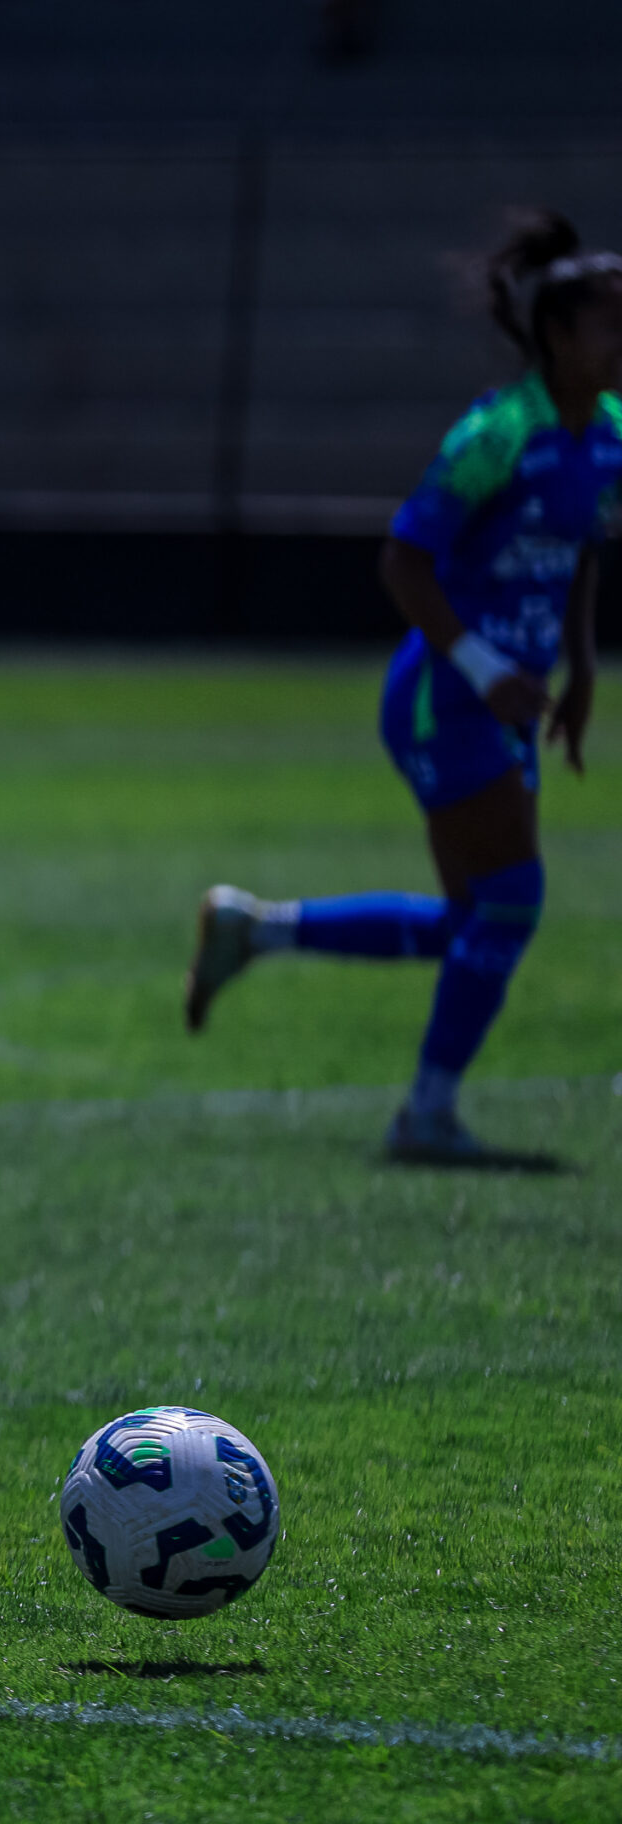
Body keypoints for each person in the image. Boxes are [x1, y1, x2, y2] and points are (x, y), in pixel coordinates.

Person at [186, 210, 619, 1166]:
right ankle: (425, 1117)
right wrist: (487, 672)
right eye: (612, 322)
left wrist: (582, 666)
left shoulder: (610, 434)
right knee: (513, 901)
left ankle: (257, 933)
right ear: (557, 334)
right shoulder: (499, 433)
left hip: (506, 700)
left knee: (476, 919)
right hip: (448, 696)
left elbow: (586, 545)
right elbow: (403, 562)